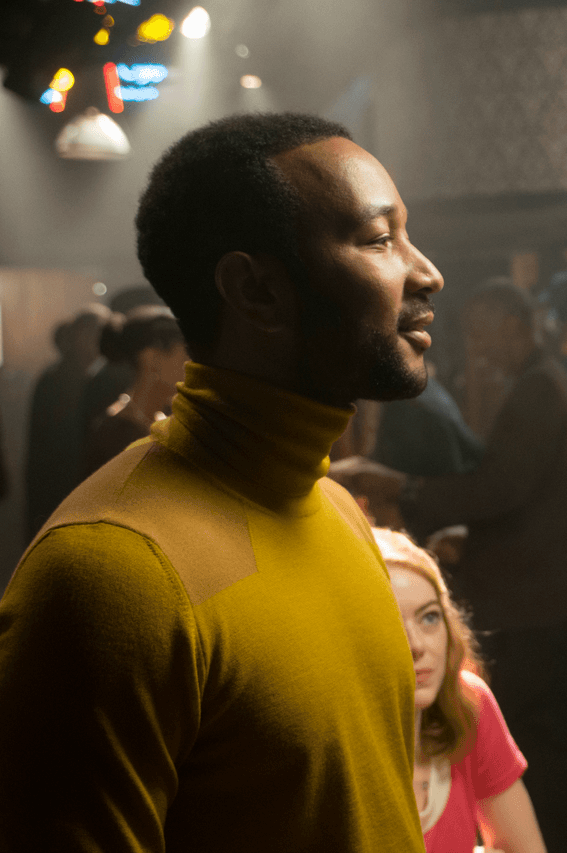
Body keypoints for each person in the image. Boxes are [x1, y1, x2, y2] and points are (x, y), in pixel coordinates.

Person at [0, 112, 443, 851]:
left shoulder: (335, 509)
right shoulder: (112, 574)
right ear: (256, 290)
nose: (426, 272)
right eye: (378, 239)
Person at [333, 281, 567, 853]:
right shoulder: (536, 382)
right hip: (560, 592)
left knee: (545, 746)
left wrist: (404, 488)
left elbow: (501, 488)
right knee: (548, 744)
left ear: (518, 326)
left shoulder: (538, 387)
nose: (476, 346)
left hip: (556, 597)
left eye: (484, 331)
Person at [375, 527, 546, 853]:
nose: (416, 645)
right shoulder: (325, 752)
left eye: (429, 617)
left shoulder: (466, 700)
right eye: (389, 624)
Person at [24, 304, 110, 538]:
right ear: (77, 337)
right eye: (91, 335)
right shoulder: (55, 380)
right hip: (59, 487)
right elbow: (46, 448)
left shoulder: (100, 378)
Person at [82, 306, 188, 477]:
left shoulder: (165, 421)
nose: (190, 366)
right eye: (185, 357)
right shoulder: (114, 437)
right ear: (151, 358)